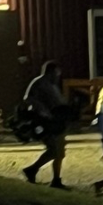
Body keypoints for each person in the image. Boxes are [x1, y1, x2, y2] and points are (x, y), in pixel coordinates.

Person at [21, 60, 71, 189]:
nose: (59, 75)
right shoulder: (39, 82)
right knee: (54, 150)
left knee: (59, 152)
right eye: (57, 72)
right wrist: (42, 110)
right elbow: (28, 98)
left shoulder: (53, 85)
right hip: (46, 121)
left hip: (57, 120)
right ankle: (32, 169)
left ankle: (56, 179)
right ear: (51, 72)